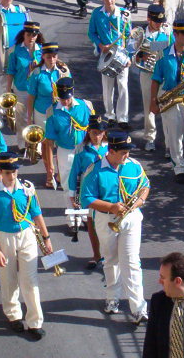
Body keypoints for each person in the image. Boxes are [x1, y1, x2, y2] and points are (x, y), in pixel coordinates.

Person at [80, 130, 150, 324]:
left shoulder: (134, 166)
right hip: (106, 219)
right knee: (110, 259)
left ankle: (139, 308)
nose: (127, 156)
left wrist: (139, 202)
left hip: (131, 218)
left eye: (128, 151)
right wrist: (111, 207)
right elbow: (86, 198)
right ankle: (112, 298)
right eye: (123, 152)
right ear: (111, 151)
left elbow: (145, 186)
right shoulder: (95, 170)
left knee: (131, 261)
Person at [0, 151, 51, 340]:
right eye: (7, 173)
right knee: (8, 278)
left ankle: (35, 322)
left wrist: (46, 237)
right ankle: (13, 314)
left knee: (30, 280)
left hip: (26, 235)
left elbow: (36, 213)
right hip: (5, 237)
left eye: (13, 172)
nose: (11, 176)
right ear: (0, 172)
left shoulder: (27, 189)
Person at [150, 19, 184, 184]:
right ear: (175, 34)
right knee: (174, 136)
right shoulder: (163, 54)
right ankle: (179, 168)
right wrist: (153, 101)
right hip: (171, 98)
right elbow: (156, 79)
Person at [44, 77, 93, 231]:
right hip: (65, 150)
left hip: (84, 149)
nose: (65, 101)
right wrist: (50, 164)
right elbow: (49, 140)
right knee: (68, 185)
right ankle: (72, 219)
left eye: (67, 98)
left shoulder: (85, 106)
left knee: (86, 183)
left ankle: (84, 216)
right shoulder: (52, 111)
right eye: (62, 98)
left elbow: (94, 128)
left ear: (72, 93)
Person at [88, 0, 133, 128]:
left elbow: (129, 36)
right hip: (106, 53)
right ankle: (109, 115)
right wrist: (100, 45)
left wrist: (129, 56)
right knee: (107, 87)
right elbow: (91, 33)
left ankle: (123, 118)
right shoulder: (97, 13)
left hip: (121, 54)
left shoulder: (124, 14)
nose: (109, 1)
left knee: (123, 86)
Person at [27, 43, 71, 187]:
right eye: (48, 57)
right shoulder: (37, 73)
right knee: (47, 144)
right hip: (42, 112)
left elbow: (70, 93)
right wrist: (29, 118)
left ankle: (60, 173)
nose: (51, 59)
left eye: (54, 56)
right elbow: (31, 97)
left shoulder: (63, 71)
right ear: (43, 57)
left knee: (61, 143)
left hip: (59, 112)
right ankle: (49, 173)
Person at [130, 4, 173, 151]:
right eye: (156, 21)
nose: (159, 24)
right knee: (149, 106)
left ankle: (169, 143)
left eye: (161, 21)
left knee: (166, 107)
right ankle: (150, 138)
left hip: (165, 74)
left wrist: (155, 48)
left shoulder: (167, 32)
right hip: (148, 73)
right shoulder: (140, 33)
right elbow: (131, 52)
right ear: (149, 19)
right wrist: (142, 55)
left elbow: (173, 49)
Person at [68, 114, 107, 269]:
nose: (96, 136)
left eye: (100, 133)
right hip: (89, 190)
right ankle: (96, 254)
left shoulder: (110, 148)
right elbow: (74, 172)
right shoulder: (81, 149)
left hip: (107, 189)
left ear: (104, 133)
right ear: (88, 132)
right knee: (91, 222)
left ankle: (108, 255)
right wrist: (72, 194)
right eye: (94, 133)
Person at [5, 21, 44, 149]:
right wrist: (8, 90)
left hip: (38, 90)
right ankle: (22, 144)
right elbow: (11, 71)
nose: (31, 37)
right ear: (24, 34)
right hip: (21, 88)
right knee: (21, 118)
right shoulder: (15, 50)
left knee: (37, 118)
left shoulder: (42, 51)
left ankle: (36, 146)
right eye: (28, 35)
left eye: (34, 35)